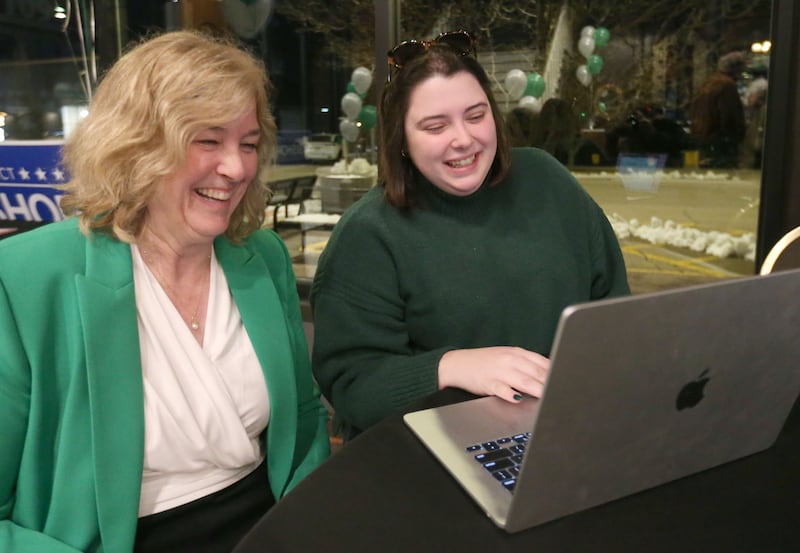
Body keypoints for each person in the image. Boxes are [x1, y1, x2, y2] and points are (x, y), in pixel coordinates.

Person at [0, 30, 330, 553]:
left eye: (248, 144)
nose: (238, 168)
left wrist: (310, 527)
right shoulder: (23, 277)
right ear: (137, 144)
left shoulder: (261, 256)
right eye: (208, 140)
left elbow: (306, 419)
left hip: (268, 524)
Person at [310, 31, 630, 438]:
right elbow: (352, 385)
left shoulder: (548, 180)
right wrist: (452, 366)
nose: (463, 139)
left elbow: (611, 308)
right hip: (428, 454)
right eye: (435, 125)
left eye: (476, 116)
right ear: (402, 141)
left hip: (566, 428)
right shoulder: (368, 234)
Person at [690, 51, 747, 168]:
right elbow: (730, 115)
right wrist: (737, 135)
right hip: (719, 138)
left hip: (702, 134)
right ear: (736, 68)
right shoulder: (727, 85)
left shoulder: (709, 82)